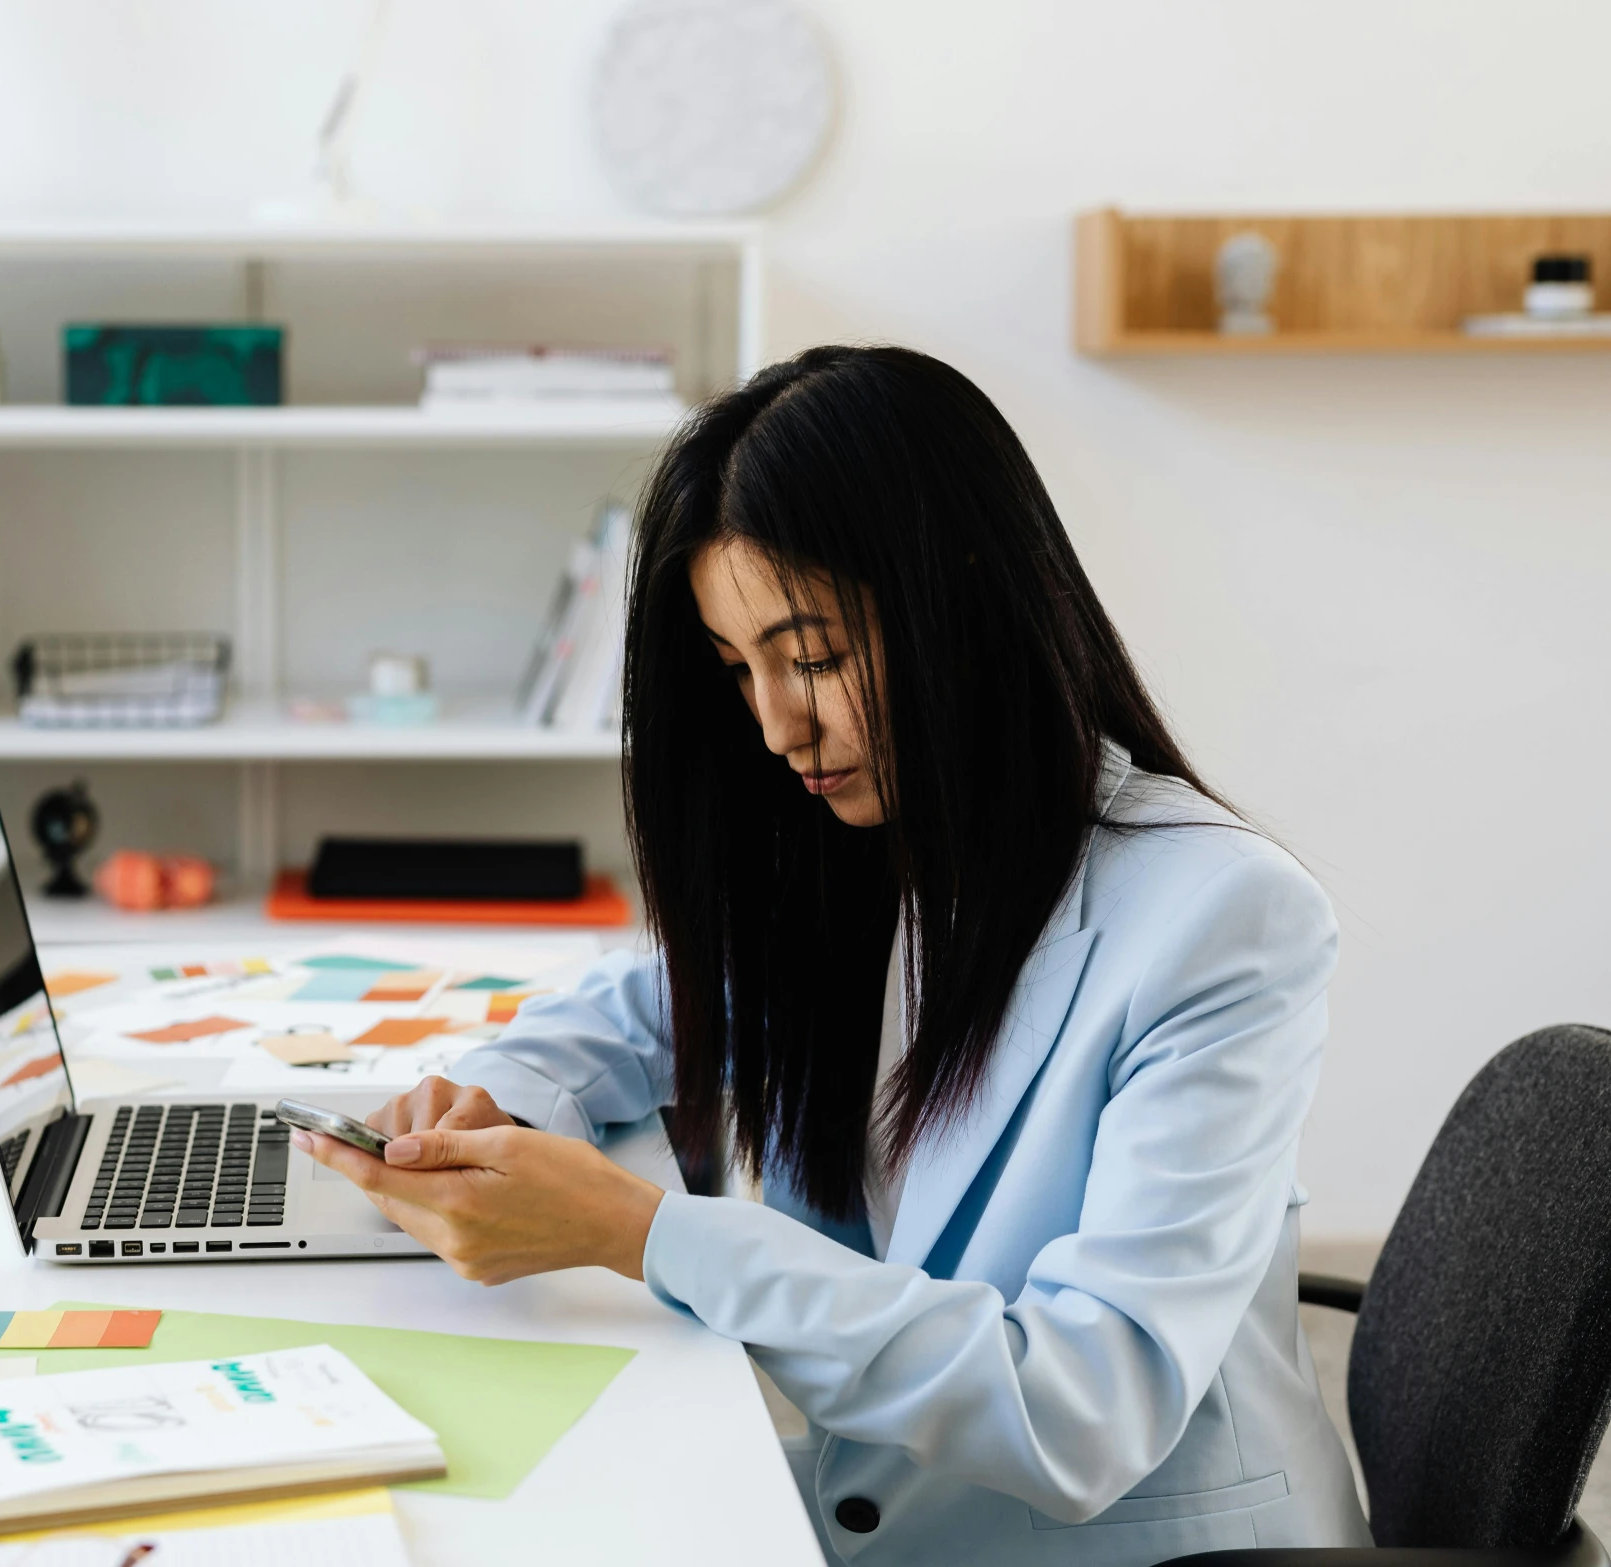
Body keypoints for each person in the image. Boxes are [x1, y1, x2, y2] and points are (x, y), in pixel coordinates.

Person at [292, 346, 1369, 1565]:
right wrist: (491, 1106)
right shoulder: (873, 837)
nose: (773, 724)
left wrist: (644, 1232)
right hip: (899, 1503)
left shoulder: (1221, 916)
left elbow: (1084, 1405)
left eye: (810, 657)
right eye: (737, 668)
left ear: (960, 599)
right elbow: (645, 1013)